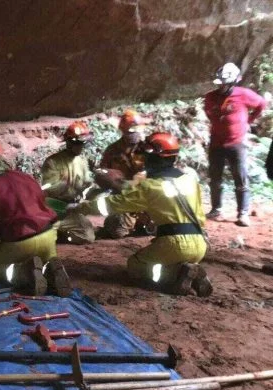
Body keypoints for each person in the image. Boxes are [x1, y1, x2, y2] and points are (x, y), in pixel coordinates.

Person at [77, 132, 212, 296]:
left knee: (136, 266)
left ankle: (176, 274)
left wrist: (82, 208)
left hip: (174, 244)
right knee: (169, 258)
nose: (143, 160)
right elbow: (199, 214)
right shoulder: (190, 180)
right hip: (199, 243)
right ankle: (191, 272)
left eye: (147, 156)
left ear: (155, 158)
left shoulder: (150, 186)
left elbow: (113, 204)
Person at [0, 139, 72, 297]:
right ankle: (49, 268)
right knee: (45, 258)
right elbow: (42, 200)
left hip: (19, 242)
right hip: (48, 235)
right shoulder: (24, 176)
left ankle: (23, 273)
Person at [204, 62, 267, 227]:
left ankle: (243, 213)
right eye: (220, 83)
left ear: (233, 82)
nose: (222, 86)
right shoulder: (210, 97)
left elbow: (261, 104)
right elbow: (209, 113)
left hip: (236, 144)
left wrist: (249, 121)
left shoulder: (244, 94)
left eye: (225, 83)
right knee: (215, 178)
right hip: (216, 143)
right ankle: (216, 209)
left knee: (240, 178)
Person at [41, 121, 95, 244]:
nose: (81, 146)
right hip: (55, 207)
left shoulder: (82, 161)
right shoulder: (52, 162)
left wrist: (91, 184)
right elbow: (49, 189)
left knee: (88, 236)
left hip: (72, 207)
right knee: (42, 236)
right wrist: (67, 185)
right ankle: (52, 228)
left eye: (83, 143)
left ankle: (61, 231)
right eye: (79, 143)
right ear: (69, 143)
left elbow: (87, 183)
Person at [98, 109, 148, 238]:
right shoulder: (112, 150)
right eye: (131, 131)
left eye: (138, 130)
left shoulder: (147, 149)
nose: (135, 134)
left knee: (154, 228)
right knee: (118, 231)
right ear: (123, 131)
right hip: (124, 197)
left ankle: (143, 221)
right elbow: (103, 173)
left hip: (146, 195)